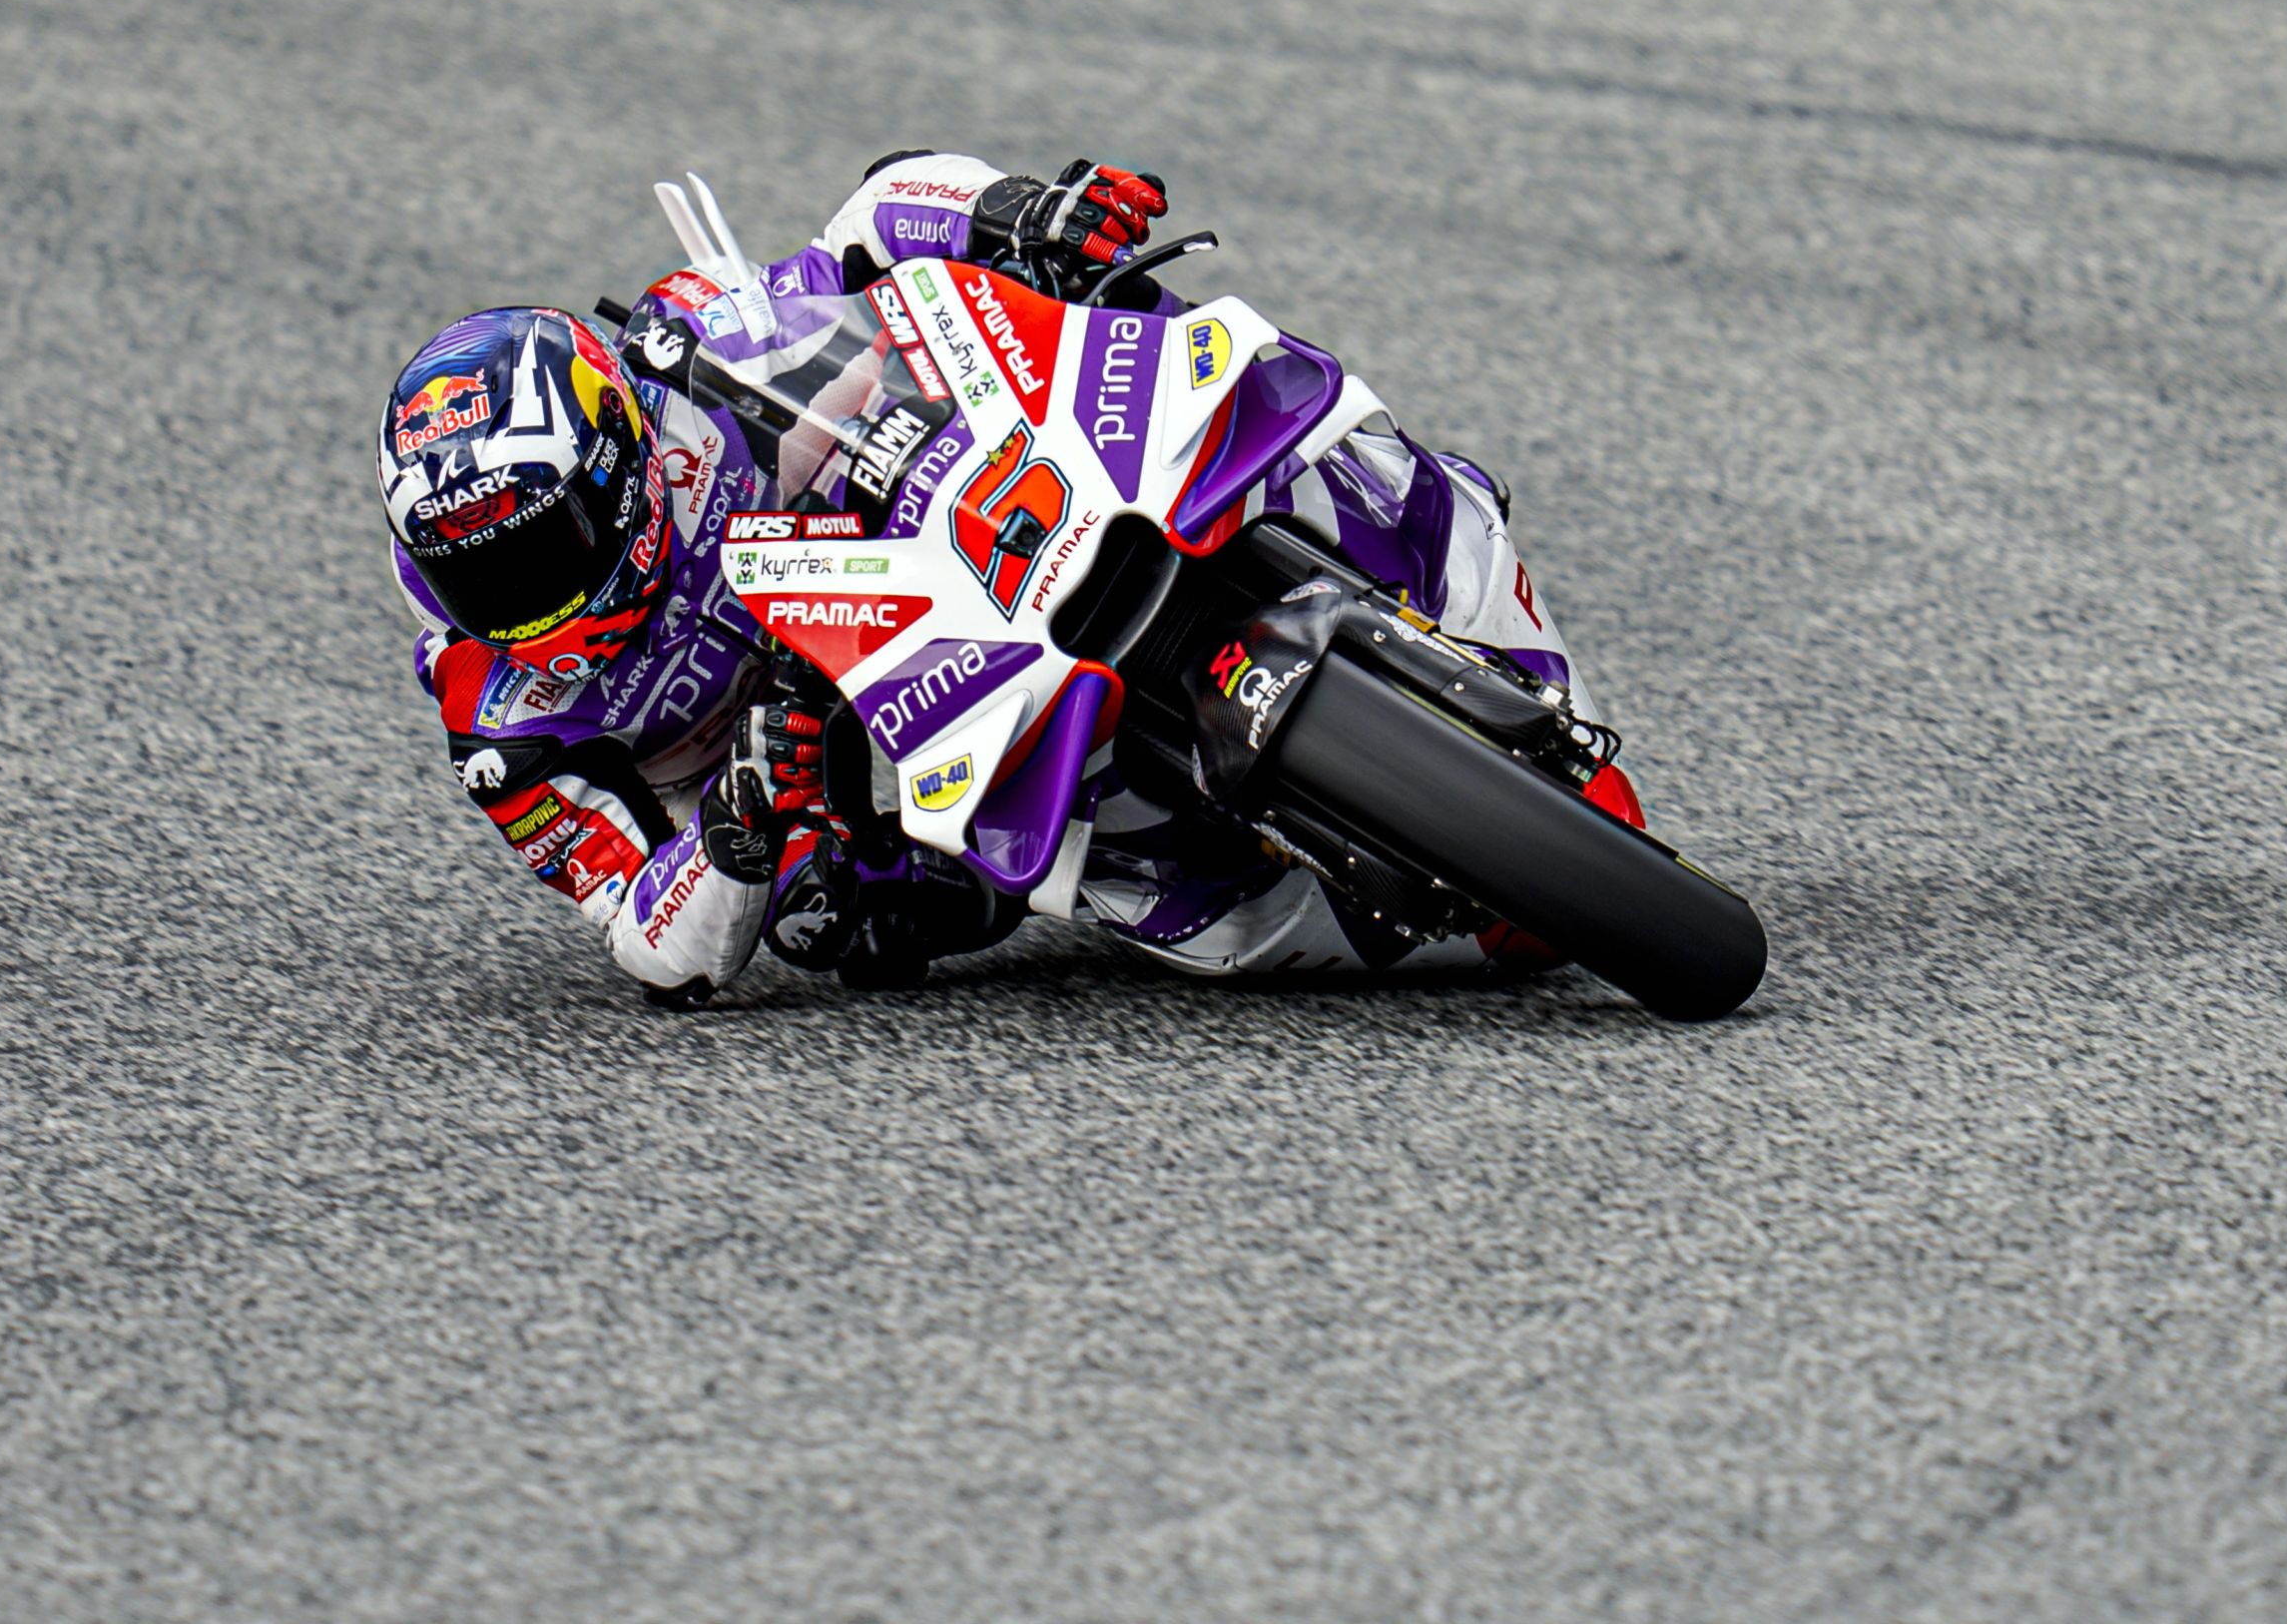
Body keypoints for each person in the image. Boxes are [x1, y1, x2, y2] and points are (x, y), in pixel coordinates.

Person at [376, 154, 1637, 1001]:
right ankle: (1388, 914)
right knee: (955, 912)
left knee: (1156, 336)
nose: (520, 594)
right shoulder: (498, 714)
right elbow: (650, 942)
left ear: (621, 461)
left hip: (942, 523)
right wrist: (734, 832)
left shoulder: (684, 349)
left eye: (540, 547)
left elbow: (870, 222)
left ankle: (1421, 528)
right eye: (478, 572)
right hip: (851, 768)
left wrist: (1012, 215)